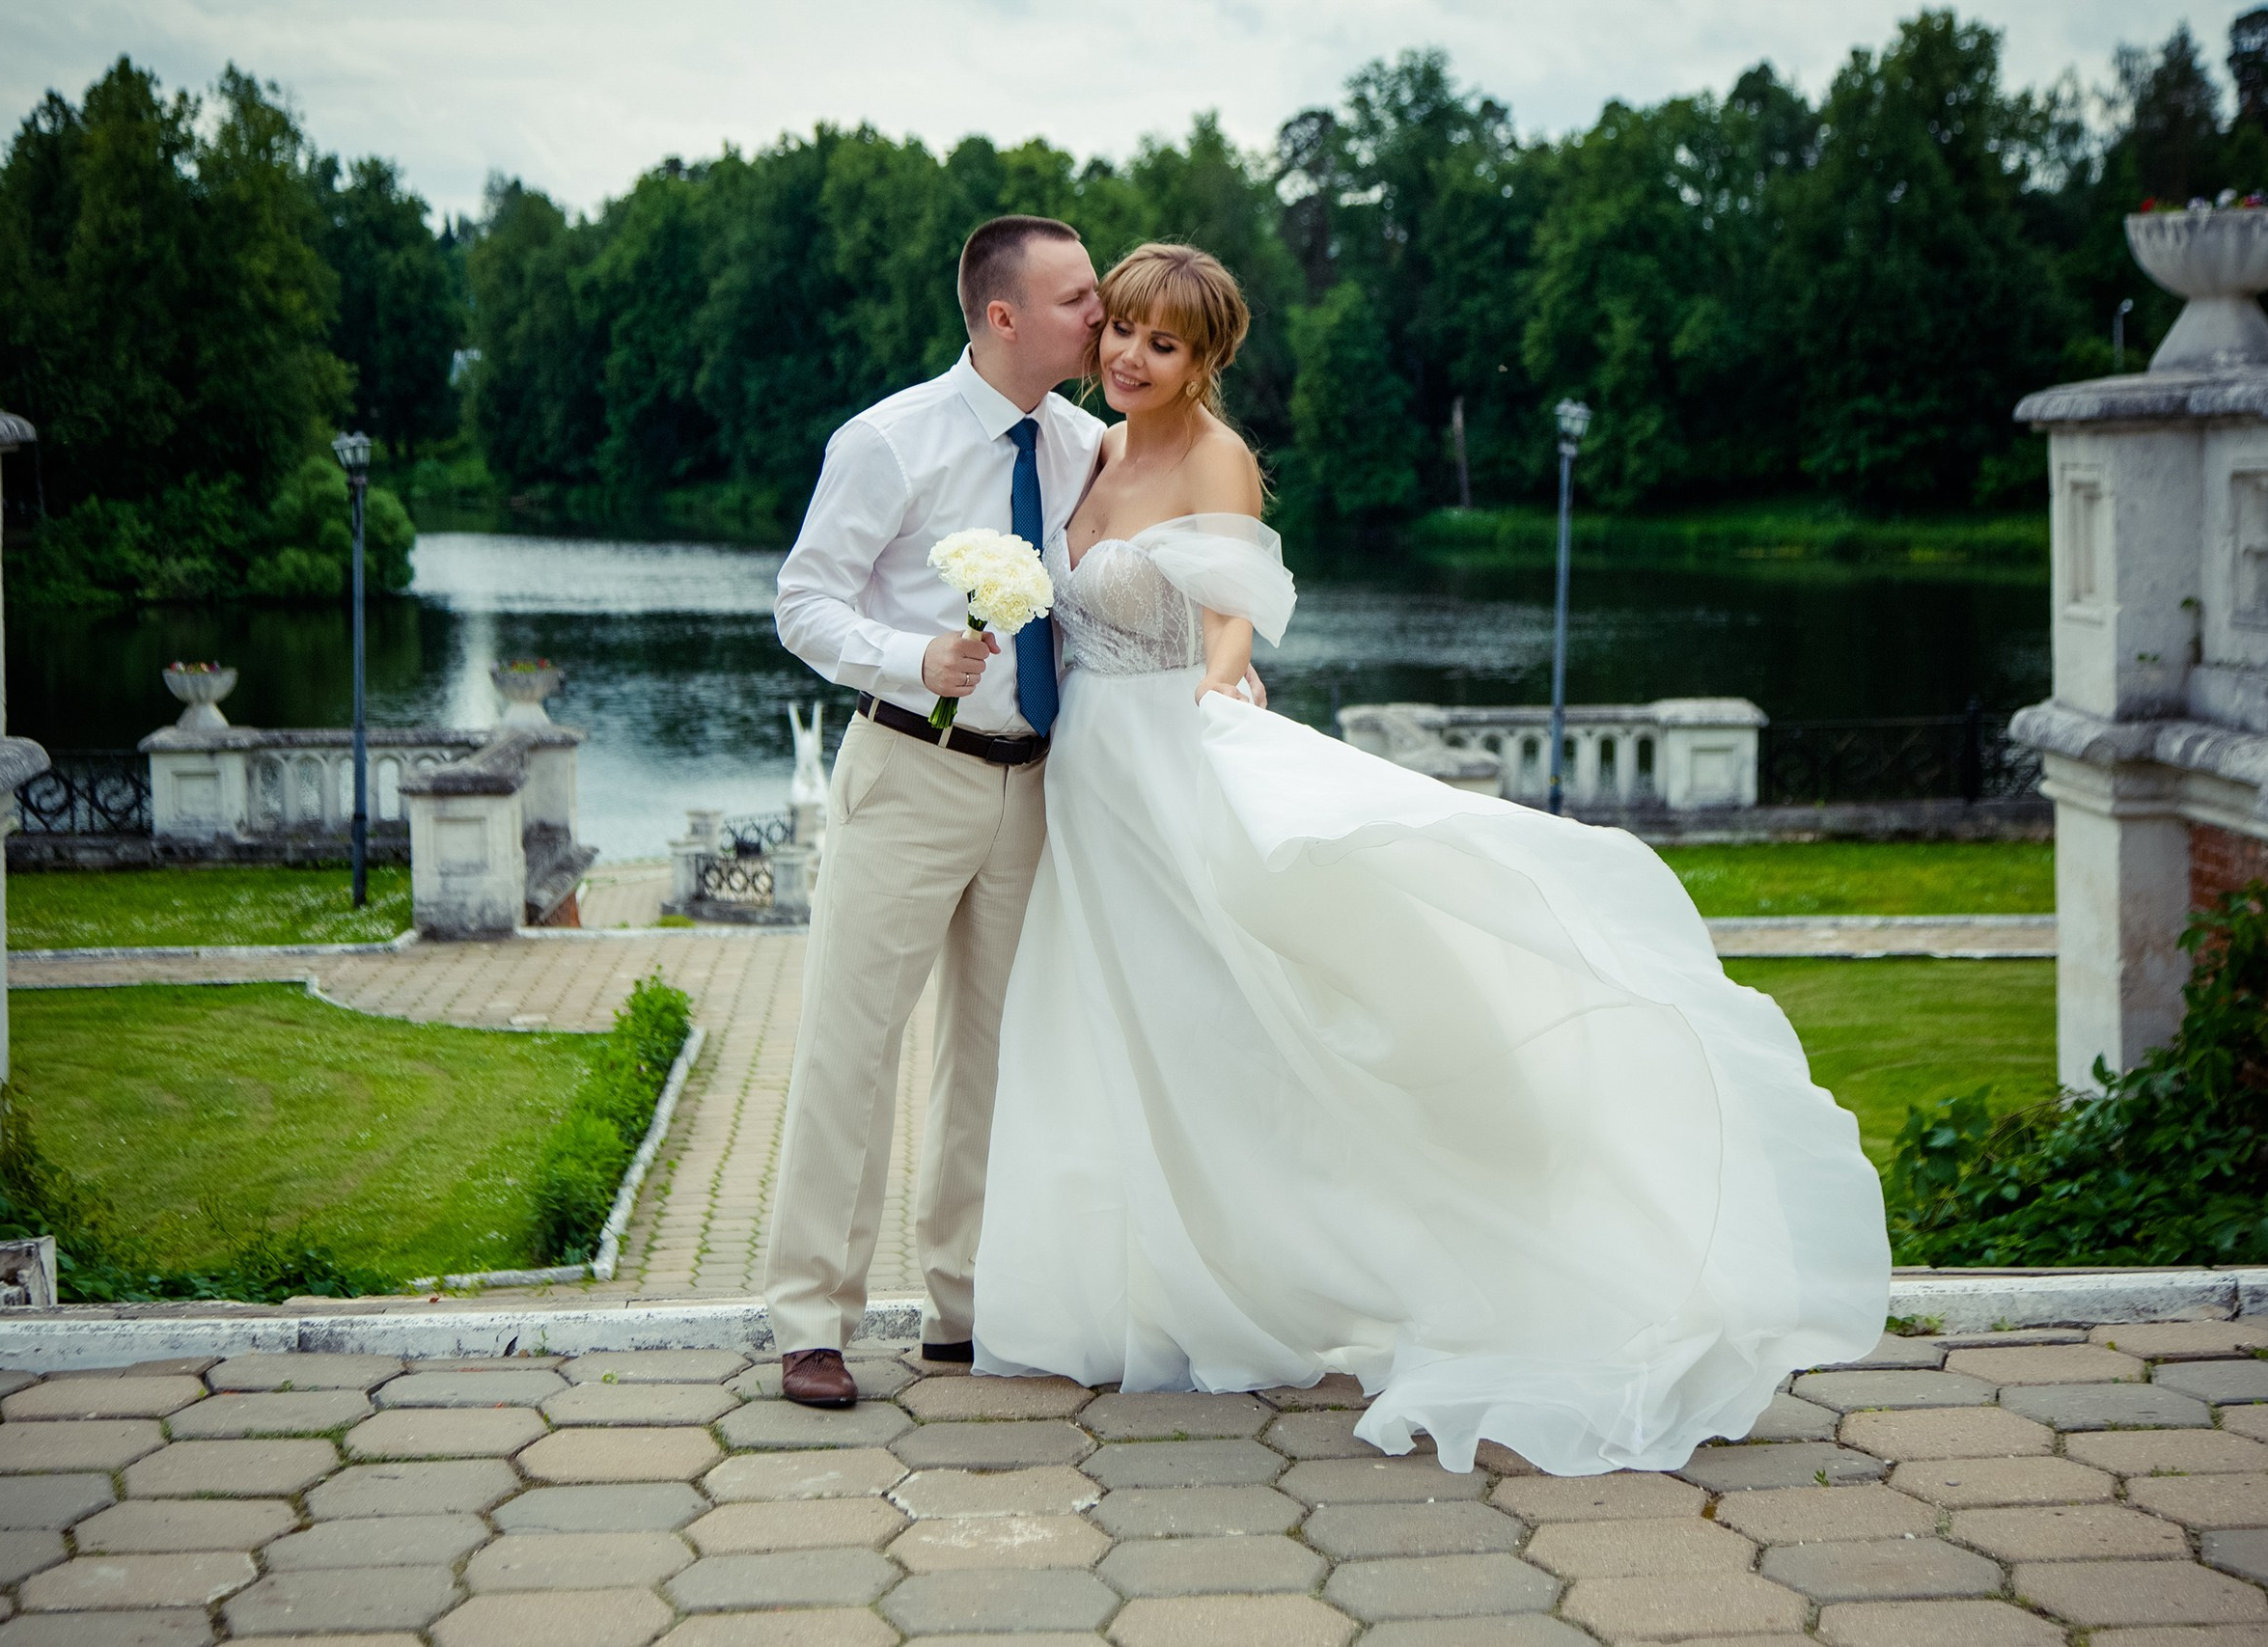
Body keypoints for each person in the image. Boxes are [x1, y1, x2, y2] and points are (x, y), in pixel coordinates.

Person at [971, 242, 1891, 1475]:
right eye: (1123, 330)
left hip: (1164, 756)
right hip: (1088, 779)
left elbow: (1237, 600)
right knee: (1108, 1022)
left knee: (1224, 1019)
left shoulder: (1214, 455)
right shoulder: (1086, 448)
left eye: (1165, 343)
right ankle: (1125, 1291)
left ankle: (1316, 1268)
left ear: (1208, 360)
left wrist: (1221, 675)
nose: (1132, 355)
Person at [761, 215, 1108, 1407]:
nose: (1099, 315)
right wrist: (913, 657)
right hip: (910, 769)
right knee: (850, 1053)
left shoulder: (1083, 447)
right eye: (1077, 299)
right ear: (1001, 314)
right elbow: (802, 603)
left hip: (1037, 787)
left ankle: (964, 1308)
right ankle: (812, 1318)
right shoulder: (887, 440)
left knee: (996, 1060)